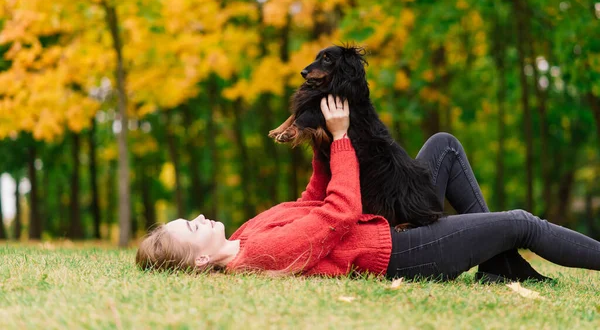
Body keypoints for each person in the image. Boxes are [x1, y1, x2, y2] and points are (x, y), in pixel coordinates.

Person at [136, 95, 600, 281]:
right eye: (193, 228)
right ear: (199, 259)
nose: (199, 217)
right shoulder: (260, 256)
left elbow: (312, 203)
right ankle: (506, 263)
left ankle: (498, 269)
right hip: (399, 253)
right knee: (519, 222)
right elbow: (337, 214)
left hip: (386, 227)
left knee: (443, 147)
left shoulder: (244, 234)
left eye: (190, 218)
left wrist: (320, 144)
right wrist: (340, 139)